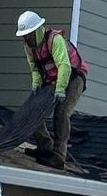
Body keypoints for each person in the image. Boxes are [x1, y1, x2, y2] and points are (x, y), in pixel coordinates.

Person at [18, 10, 87, 168]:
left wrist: (61, 89)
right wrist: (36, 83)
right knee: (32, 110)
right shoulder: (29, 47)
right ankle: (45, 147)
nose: (26, 38)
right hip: (53, 79)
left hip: (74, 77)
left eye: (29, 34)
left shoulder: (55, 40)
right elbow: (35, 67)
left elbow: (64, 66)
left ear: (37, 31)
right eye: (24, 35)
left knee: (61, 112)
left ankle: (59, 155)